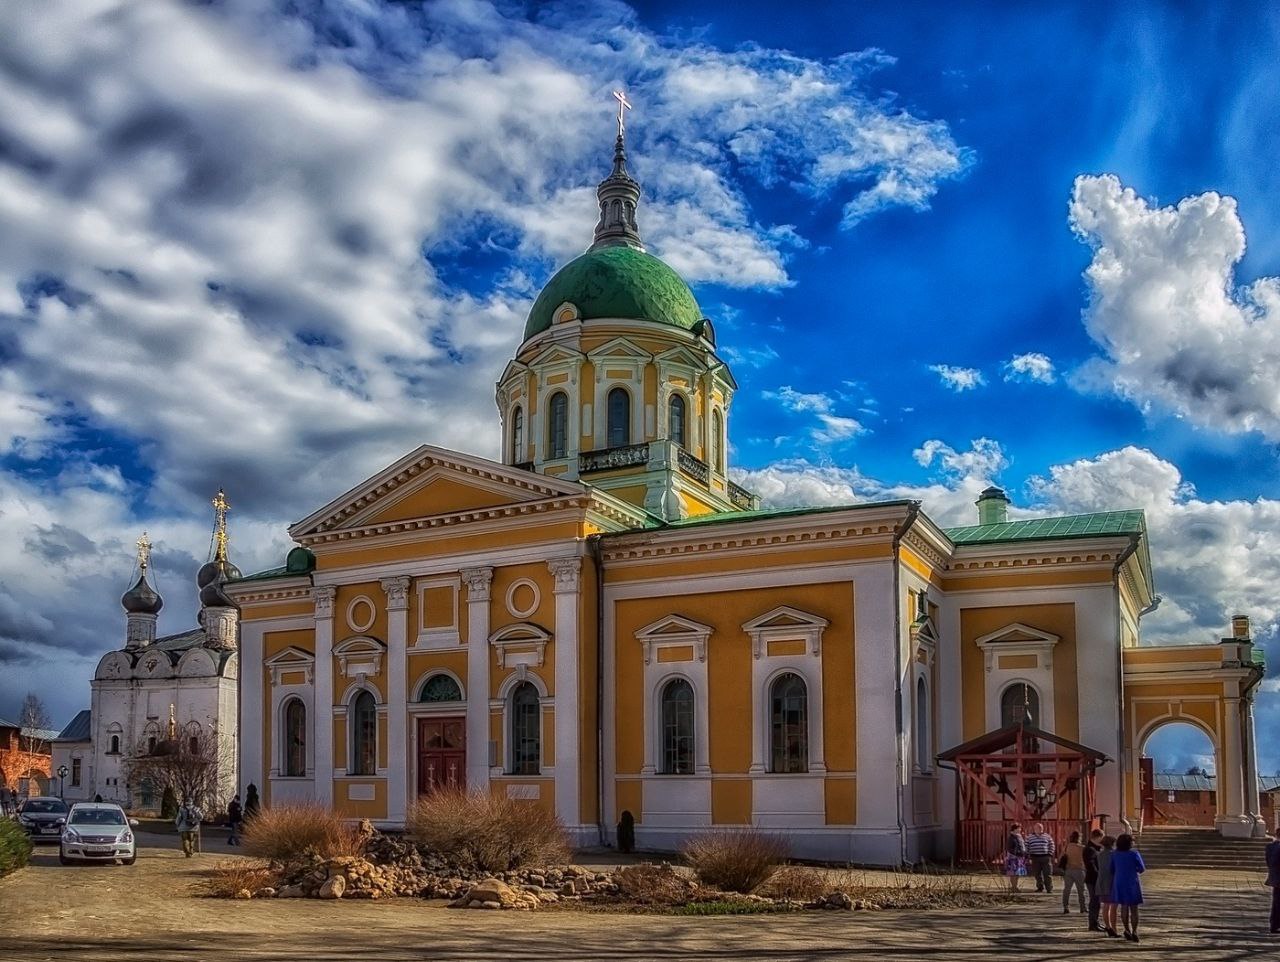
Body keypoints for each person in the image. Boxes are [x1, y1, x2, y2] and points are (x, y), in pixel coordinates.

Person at [1111, 833, 1145, 943]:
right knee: (1134, 908)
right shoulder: (1134, 854)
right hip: (1132, 882)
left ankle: (1126, 929)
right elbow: (1141, 868)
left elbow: (1111, 868)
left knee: (1124, 906)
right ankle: (1135, 931)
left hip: (1119, 881)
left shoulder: (1114, 854)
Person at [1096, 835, 1119, 937]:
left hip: (1101, 881)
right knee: (1113, 907)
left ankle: (1108, 926)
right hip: (1112, 881)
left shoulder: (1100, 854)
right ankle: (1114, 928)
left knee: (1106, 906)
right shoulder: (1114, 854)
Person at [1060, 830, 1088, 915]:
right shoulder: (1082, 848)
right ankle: (1082, 907)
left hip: (1068, 870)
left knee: (1067, 889)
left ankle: (1066, 907)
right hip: (1079, 870)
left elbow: (1061, 856)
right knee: (1081, 890)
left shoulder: (1066, 847)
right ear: (1079, 838)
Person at [1025, 821, 1056, 893]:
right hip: (1035, 857)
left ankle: (1049, 888)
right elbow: (1026, 846)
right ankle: (1040, 887)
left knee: (1047, 874)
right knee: (1037, 874)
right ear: (1034, 829)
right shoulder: (1029, 837)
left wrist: (1050, 854)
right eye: (1038, 828)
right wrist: (1028, 855)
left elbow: (1052, 845)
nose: (1039, 829)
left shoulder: (1047, 836)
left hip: (1045, 857)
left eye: (1041, 828)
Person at [1084, 828, 1104, 931]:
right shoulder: (1090, 849)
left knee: (1096, 901)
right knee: (1094, 901)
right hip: (1093, 879)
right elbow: (1091, 865)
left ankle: (1095, 922)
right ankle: (1093, 923)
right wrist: (1098, 875)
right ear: (1098, 837)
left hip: (1093, 879)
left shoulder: (1094, 848)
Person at [1005, 823, 1028, 892]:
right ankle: (1013, 887)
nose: (1020, 829)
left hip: (1020, 857)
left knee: (1018, 873)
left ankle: (1016, 886)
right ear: (1015, 829)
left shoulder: (1019, 837)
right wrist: (1017, 853)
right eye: (1019, 828)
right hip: (1013, 858)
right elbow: (1009, 848)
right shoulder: (1011, 837)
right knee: (1013, 873)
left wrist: (1024, 853)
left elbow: (1023, 846)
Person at [1266, 828, 1280, 934]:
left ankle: (1274, 924)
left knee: (1276, 902)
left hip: (1275, 878)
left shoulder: (1270, 847)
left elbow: (1269, 863)